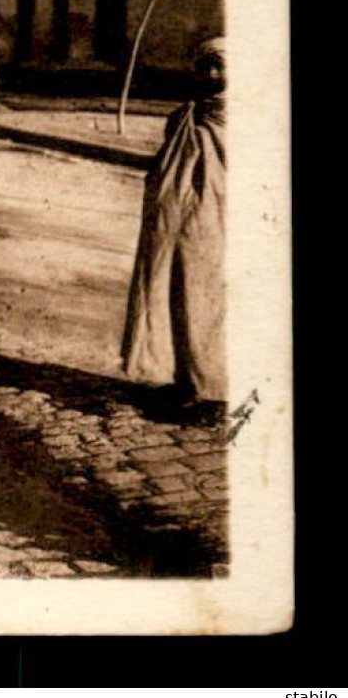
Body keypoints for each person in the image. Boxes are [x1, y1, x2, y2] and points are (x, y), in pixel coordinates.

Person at [121, 36, 228, 415]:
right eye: (205, 66)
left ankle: (214, 393)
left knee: (210, 305)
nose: (212, 73)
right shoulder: (184, 115)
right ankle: (186, 383)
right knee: (177, 299)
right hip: (177, 224)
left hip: (220, 224)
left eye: (220, 65)